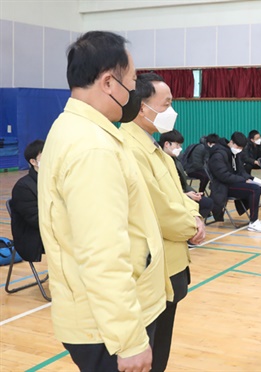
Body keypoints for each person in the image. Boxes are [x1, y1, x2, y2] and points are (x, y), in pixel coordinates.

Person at [38, 31, 171, 372]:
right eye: (132, 80)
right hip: (109, 329)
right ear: (110, 83)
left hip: (108, 318)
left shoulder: (80, 129)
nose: (135, 89)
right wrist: (129, 340)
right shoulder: (92, 148)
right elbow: (102, 253)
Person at [120, 72, 206, 372]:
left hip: (173, 265)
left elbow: (179, 197)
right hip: (154, 271)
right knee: (149, 351)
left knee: (161, 349)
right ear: (143, 107)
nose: (172, 111)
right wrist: (191, 227)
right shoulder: (130, 150)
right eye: (166, 104)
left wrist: (194, 216)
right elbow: (158, 210)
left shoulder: (156, 148)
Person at [208, 132, 261, 232]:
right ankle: (253, 222)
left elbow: (241, 171)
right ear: (231, 142)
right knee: (254, 189)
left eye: (241, 148)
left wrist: (251, 179)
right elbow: (223, 176)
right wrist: (243, 180)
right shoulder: (218, 155)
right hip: (223, 187)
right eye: (238, 147)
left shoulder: (235, 153)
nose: (239, 150)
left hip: (234, 182)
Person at [160, 129, 215, 219]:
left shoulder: (176, 160)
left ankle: (194, 225)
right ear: (167, 144)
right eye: (177, 145)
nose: (179, 148)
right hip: (171, 198)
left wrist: (193, 193)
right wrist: (185, 195)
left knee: (207, 202)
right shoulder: (159, 162)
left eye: (180, 145)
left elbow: (183, 183)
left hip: (182, 194)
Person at [10, 140, 45, 263]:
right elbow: (36, 220)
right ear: (33, 162)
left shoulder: (53, 180)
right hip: (33, 236)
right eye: (44, 154)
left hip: (52, 229)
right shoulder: (23, 187)